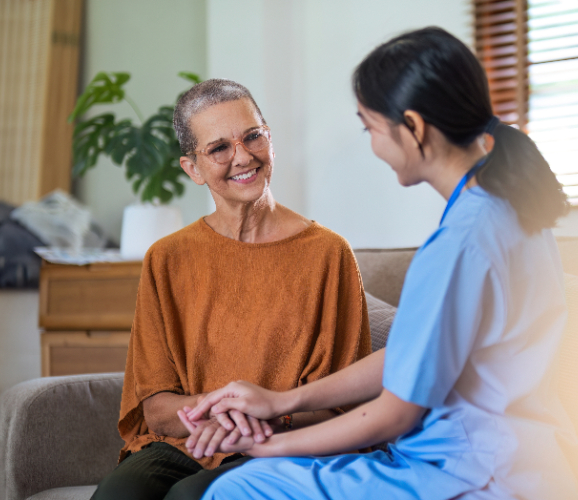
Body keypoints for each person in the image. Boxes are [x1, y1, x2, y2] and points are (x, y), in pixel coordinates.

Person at [181, 27, 578, 500]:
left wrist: (265, 444)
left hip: (473, 471)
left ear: (412, 127)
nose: (371, 144)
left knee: (238, 489)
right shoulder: (514, 208)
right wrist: (282, 401)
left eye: (370, 127)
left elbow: (396, 413)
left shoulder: (459, 245)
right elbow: (418, 354)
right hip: (525, 458)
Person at [89, 79, 372, 500]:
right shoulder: (166, 258)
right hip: (187, 442)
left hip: (281, 446)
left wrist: (256, 422)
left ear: (269, 139)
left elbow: (345, 404)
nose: (242, 156)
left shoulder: (329, 254)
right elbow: (155, 406)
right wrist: (221, 417)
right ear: (193, 169)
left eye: (253, 136)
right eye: (219, 148)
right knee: (119, 495)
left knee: (192, 497)